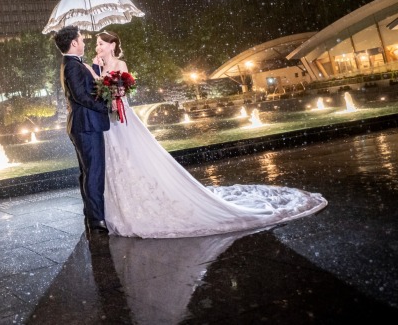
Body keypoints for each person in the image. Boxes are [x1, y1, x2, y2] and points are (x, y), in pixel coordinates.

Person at [87, 30, 327, 238]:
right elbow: (97, 88)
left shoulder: (120, 65)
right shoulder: (99, 63)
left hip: (121, 118)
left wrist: (111, 89)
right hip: (106, 121)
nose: (97, 47)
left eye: (100, 43)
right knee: (114, 161)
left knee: (133, 156)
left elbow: (123, 93)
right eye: (97, 44)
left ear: (112, 45)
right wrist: (96, 71)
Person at [54, 25, 111, 233]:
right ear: (74, 43)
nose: (85, 42)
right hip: (86, 125)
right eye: (81, 39)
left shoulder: (74, 65)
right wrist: (105, 105)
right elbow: (80, 96)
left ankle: (92, 215)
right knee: (94, 173)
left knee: (88, 172)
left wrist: (97, 69)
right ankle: (97, 219)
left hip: (82, 125)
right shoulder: (71, 66)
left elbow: (86, 87)